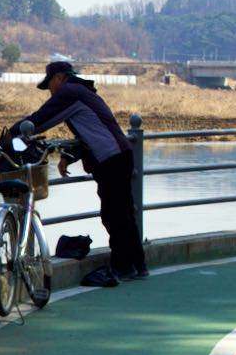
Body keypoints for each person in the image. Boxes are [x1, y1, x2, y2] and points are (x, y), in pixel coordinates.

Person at [17, 61, 146, 282]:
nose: (50, 90)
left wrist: (12, 134)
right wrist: (69, 156)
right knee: (123, 213)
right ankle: (137, 264)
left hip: (111, 159)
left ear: (59, 78)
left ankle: (123, 266)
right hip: (120, 155)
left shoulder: (69, 92)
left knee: (114, 216)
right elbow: (89, 131)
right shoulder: (82, 91)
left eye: (49, 84)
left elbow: (42, 119)